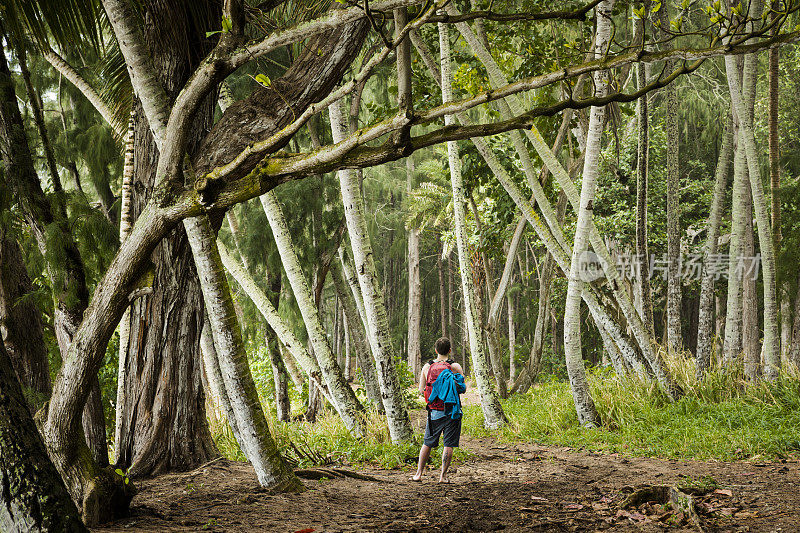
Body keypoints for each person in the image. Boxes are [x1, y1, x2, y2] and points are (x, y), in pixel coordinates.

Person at [412, 337, 466, 483]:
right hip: (452, 411)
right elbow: (462, 388)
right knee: (448, 444)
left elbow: (421, 389)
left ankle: (418, 474)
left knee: (427, 442)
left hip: (434, 410)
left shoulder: (427, 367)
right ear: (449, 350)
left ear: (436, 350)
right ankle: (443, 476)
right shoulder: (455, 366)